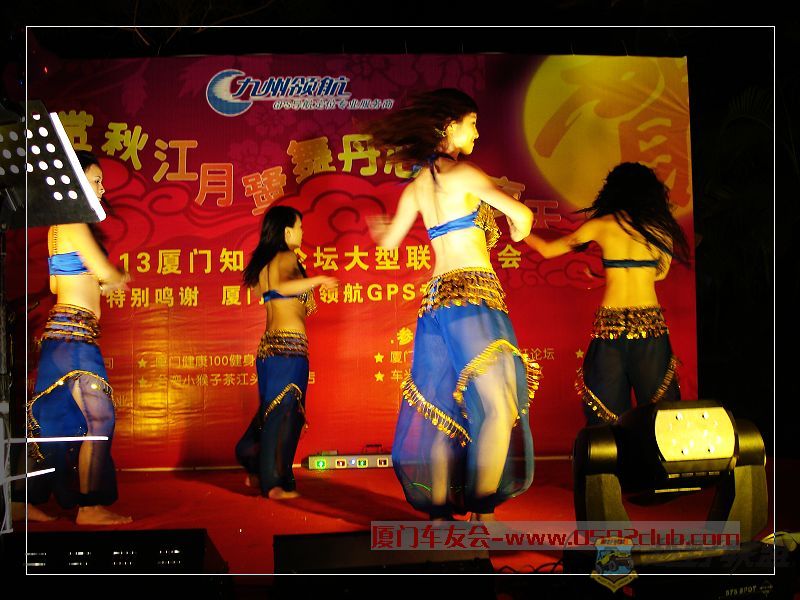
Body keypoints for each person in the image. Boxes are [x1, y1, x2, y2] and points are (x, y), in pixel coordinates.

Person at [363, 88, 540, 521]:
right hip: (473, 296)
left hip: (435, 305)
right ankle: (482, 511)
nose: (476, 133)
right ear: (449, 126)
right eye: (471, 123)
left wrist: (379, 228)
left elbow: (387, 243)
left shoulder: (418, 187)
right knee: (498, 405)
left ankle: (441, 518)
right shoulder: (463, 174)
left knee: (440, 413)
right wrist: (519, 231)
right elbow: (523, 216)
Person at [13, 150, 132, 525]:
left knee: (58, 423)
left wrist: (97, 279)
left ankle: (22, 500)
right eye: (96, 180)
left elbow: (55, 283)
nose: (102, 188)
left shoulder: (59, 227)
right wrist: (116, 276)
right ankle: (90, 505)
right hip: (74, 336)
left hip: (64, 336)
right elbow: (105, 272)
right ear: (76, 183)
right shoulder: (74, 221)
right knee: (99, 417)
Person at [523, 162, 690, 425]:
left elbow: (547, 249)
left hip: (609, 330)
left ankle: (611, 453)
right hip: (650, 328)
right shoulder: (661, 229)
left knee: (606, 416)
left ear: (614, 191)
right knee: (660, 416)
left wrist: (520, 230)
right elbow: (660, 274)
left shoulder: (601, 225)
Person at [235, 205, 337, 500]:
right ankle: (273, 483)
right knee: (284, 415)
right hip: (288, 348)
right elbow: (283, 287)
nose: (302, 233)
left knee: (273, 412)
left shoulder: (266, 263)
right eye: (299, 227)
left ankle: (253, 459)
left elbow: (276, 293)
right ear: (287, 231)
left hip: (270, 350)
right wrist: (318, 280)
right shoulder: (286, 257)